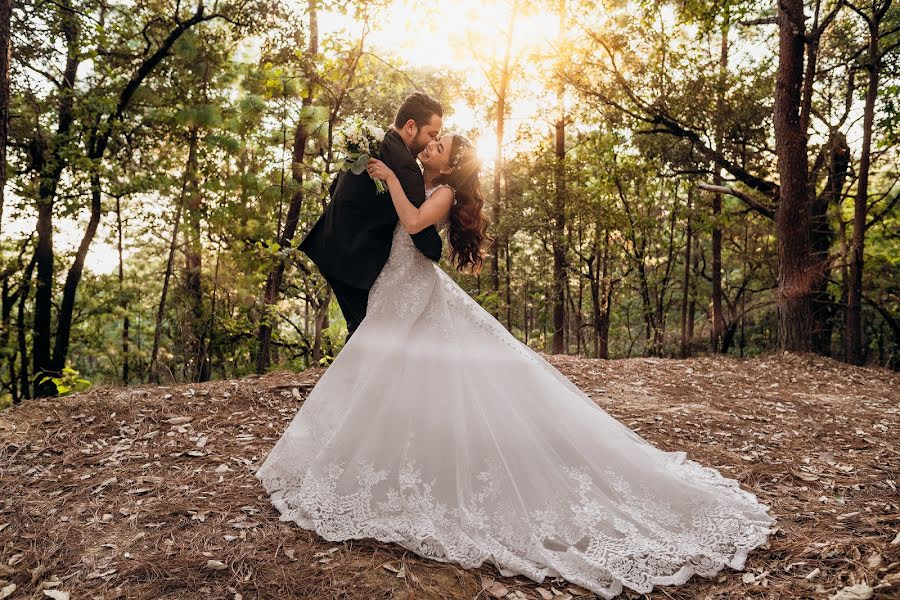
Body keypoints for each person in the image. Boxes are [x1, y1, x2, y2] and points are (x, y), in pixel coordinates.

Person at [256, 133, 774, 598]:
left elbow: (413, 224)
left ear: (450, 167)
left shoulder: (441, 194)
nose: (428, 148)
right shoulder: (417, 180)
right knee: (389, 374)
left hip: (413, 293)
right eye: (430, 143)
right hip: (396, 289)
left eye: (437, 147)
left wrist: (390, 175)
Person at [298, 92, 444, 340]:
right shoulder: (405, 164)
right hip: (354, 261)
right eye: (431, 134)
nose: (432, 141)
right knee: (372, 333)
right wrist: (436, 250)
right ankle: (356, 378)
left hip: (328, 243)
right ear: (411, 127)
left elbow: (336, 186)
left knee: (362, 330)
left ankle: (354, 377)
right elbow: (416, 226)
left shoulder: (374, 140)